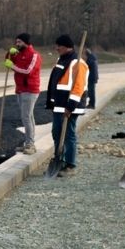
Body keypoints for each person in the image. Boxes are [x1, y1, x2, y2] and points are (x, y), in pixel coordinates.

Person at [45, 34, 88, 176]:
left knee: (68, 134)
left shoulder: (77, 63)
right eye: (56, 45)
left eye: (59, 46)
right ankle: (60, 159)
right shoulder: (61, 60)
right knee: (56, 132)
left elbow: (78, 86)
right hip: (59, 105)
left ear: (67, 46)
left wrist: (70, 107)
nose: (57, 48)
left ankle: (70, 164)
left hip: (70, 106)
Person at [3, 33, 42, 155]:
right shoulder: (19, 54)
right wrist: (9, 53)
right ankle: (28, 142)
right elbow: (8, 61)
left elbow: (28, 72)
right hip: (20, 90)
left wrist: (13, 66)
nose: (17, 44)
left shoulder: (34, 55)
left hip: (30, 90)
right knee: (28, 116)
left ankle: (30, 144)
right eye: (16, 42)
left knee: (26, 117)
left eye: (19, 42)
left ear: (26, 42)